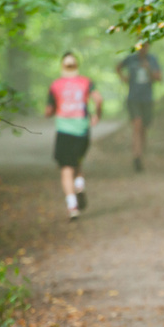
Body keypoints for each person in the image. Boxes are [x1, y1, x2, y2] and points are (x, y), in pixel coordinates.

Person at [45, 51, 103, 221]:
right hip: (82, 130)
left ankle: (72, 206)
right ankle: (79, 185)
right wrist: (97, 115)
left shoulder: (56, 85)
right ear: (77, 65)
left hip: (64, 130)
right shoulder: (86, 82)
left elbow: (49, 111)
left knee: (66, 168)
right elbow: (98, 99)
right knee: (76, 161)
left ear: (62, 66)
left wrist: (50, 112)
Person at [116, 41, 162, 172]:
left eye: (145, 46)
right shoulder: (130, 59)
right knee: (137, 124)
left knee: (144, 128)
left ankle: (141, 154)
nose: (142, 49)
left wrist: (148, 68)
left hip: (147, 99)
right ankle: (136, 156)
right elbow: (118, 67)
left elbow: (159, 78)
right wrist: (123, 78)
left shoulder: (152, 60)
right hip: (133, 99)